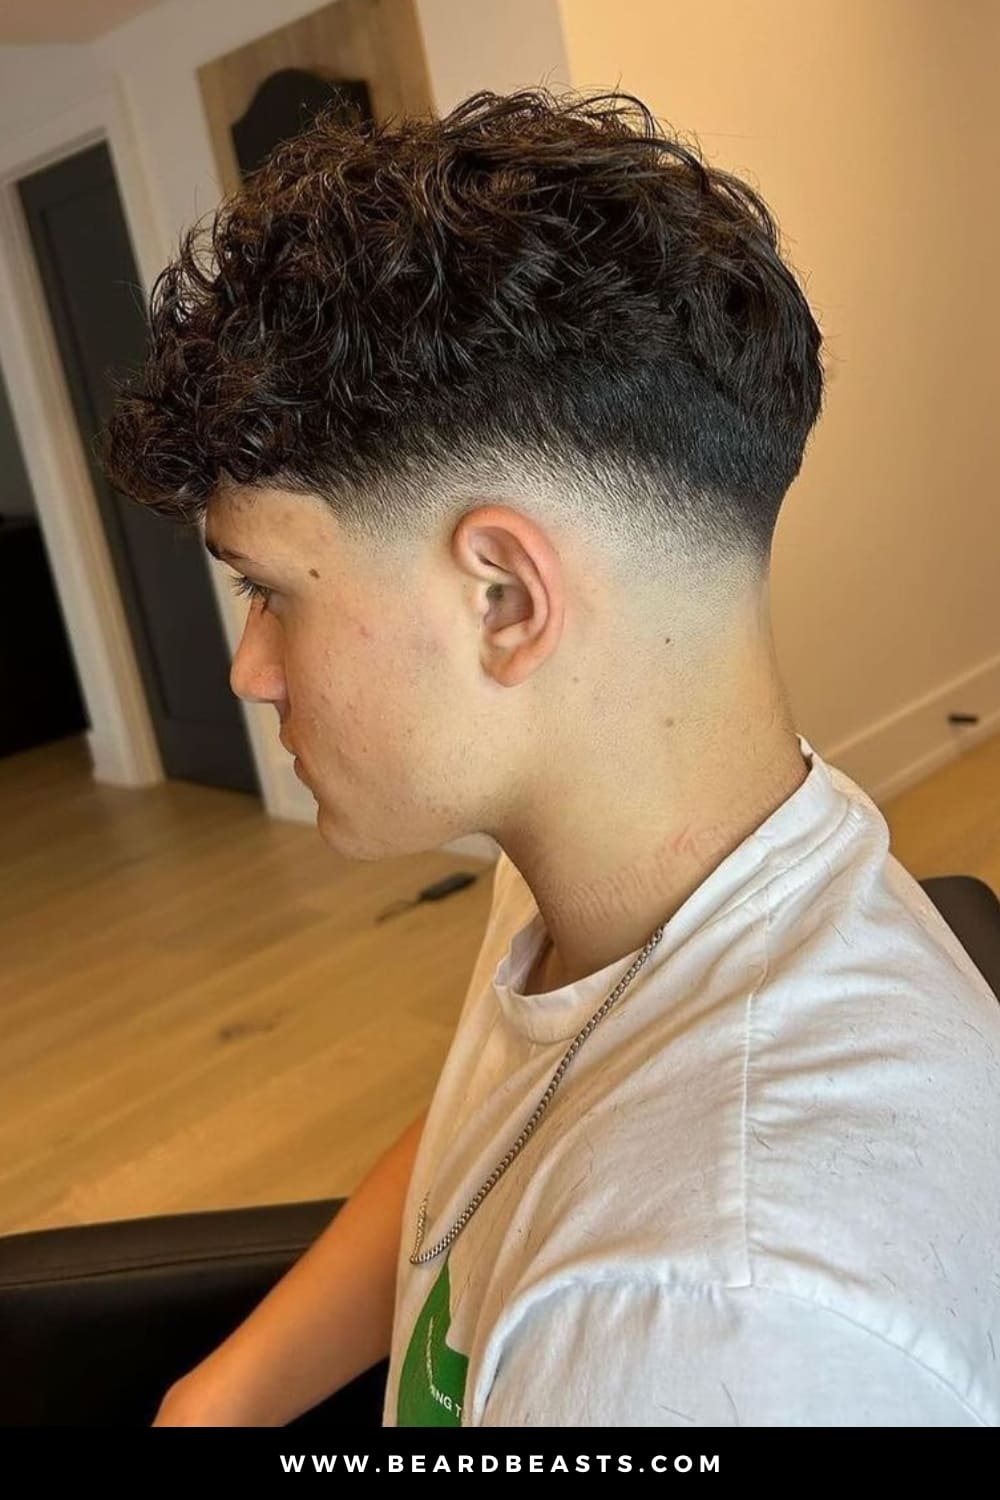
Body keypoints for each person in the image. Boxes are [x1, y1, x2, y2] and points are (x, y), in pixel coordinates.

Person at [97, 88, 1000, 1427]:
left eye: (273, 590)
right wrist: (223, 1395)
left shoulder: (717, 1328)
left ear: (505, 601)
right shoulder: (627, 856)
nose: (252, 671)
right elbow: (497, 1126)